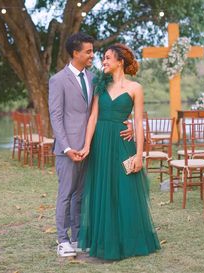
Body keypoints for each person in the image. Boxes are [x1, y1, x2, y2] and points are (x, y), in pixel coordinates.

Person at [48, 33, 133, 257]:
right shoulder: (57, 80)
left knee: (81, 195)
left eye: (93, 51)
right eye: (88, 51)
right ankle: (62, 240)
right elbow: (55, 117)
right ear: (75, 53)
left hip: (91, 147)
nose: (92, 55)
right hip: (68, 150)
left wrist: (129, 123)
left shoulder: (95, 78)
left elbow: (110, 105)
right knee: (66, 194)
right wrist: (66, 148)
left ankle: (77, 237)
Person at [78, 43, 161, 260]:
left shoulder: (136, 88)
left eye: (107, 58)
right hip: (101, 143)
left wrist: (139, 155)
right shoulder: (100, 85)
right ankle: (104, 241)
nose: (103, 62)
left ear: (119, 61)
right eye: (102, 58)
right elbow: (93, 117)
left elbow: (139, 123)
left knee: (124, 190)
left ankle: (128, 241)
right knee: (102, 189)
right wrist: (87, 145)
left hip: (123, 143)